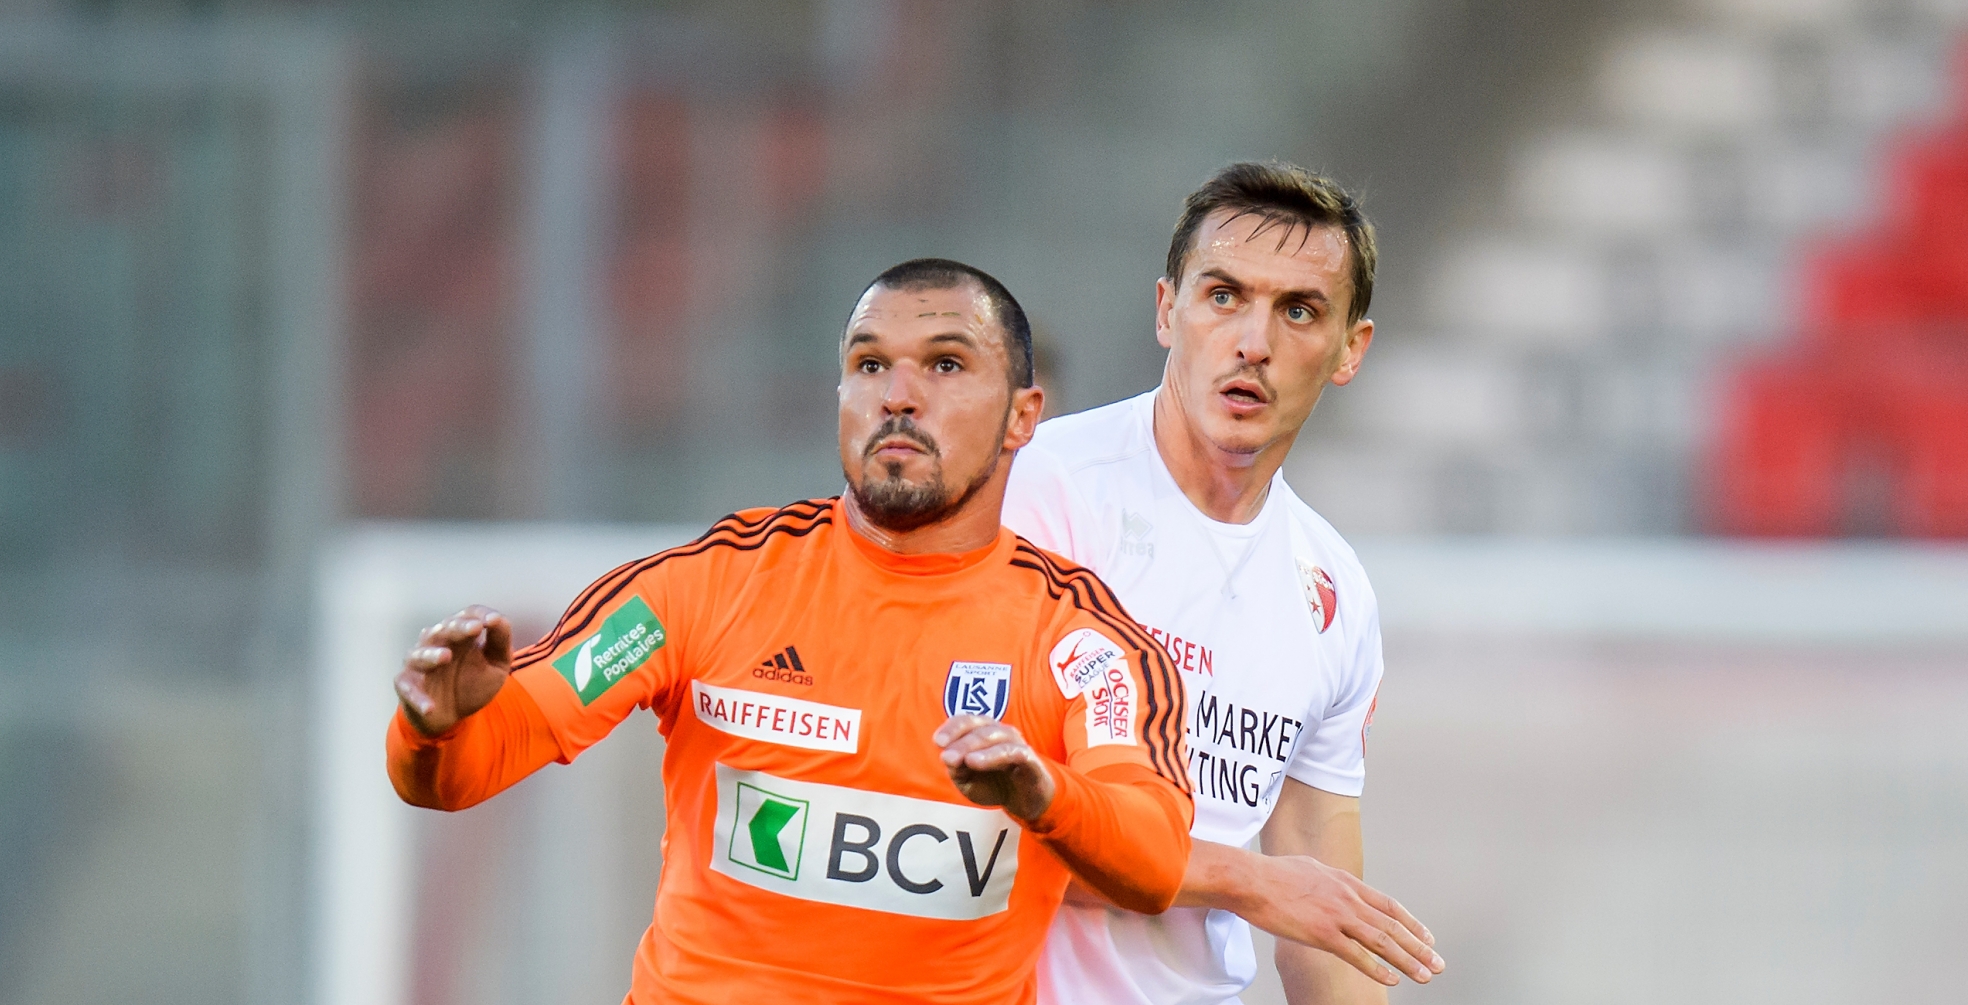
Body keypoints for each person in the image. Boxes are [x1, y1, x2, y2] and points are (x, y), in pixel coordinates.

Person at [387, 258, 1195, 1005]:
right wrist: (434, 727)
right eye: (870, 364)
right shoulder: (712, 583)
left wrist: (1044, 794)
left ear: (1024, 416)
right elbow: (474, 760)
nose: (898, 395)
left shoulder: (1081, 642)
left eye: (946, 364)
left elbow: (1154, 858)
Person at [1001, 162, 1445, 1004]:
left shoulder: (1335, 593)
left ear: (1351, 349)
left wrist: (1278, 894)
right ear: (1168, 310)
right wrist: (1249, 882)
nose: (1254, 341)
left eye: (1300, 310)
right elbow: (986, 823)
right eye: (1223, 296)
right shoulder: (1039, 493)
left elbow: (1323, 931)